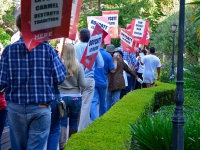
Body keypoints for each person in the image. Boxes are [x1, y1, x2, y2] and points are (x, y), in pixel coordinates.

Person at [0, 14, 67, 150]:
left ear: (18, 27)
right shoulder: (48, 50)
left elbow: (1, 82)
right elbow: (60, 78)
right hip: (40, 108)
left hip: (15, 108)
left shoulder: (8, 51)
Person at [74, 28, 104, 131]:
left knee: (76, 104)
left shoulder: (74, 48)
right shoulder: (93, 48)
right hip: (89, 79)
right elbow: (101, 65)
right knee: (86, 105)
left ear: (79, 37)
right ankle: (81, 130)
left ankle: (77, 127)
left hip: (75, 79)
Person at [90, 43, 117, 122]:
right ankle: (102, 120)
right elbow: (112, 70)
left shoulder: (92, 53)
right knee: (103, 102)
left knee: (94, 101)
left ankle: (94, 121)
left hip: (93, 80)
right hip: (103, 81)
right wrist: (115, 61)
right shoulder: (108, 55)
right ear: (104, 44)